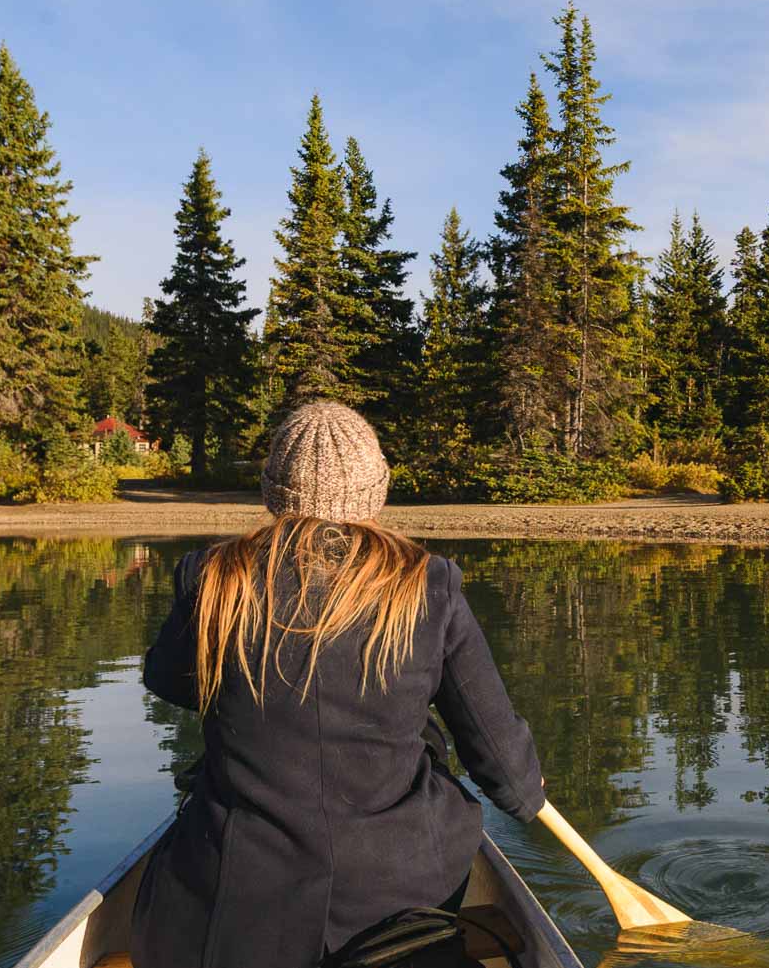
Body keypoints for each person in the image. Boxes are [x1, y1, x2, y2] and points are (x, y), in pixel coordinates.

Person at [132, 402, 546, 968]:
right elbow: (497, 757)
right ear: (378, 491)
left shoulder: (211, 575)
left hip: (239, 891)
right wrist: (526, 793)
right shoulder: (430, 584)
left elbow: (169, 681)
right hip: (398, 888)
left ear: (272, 492)